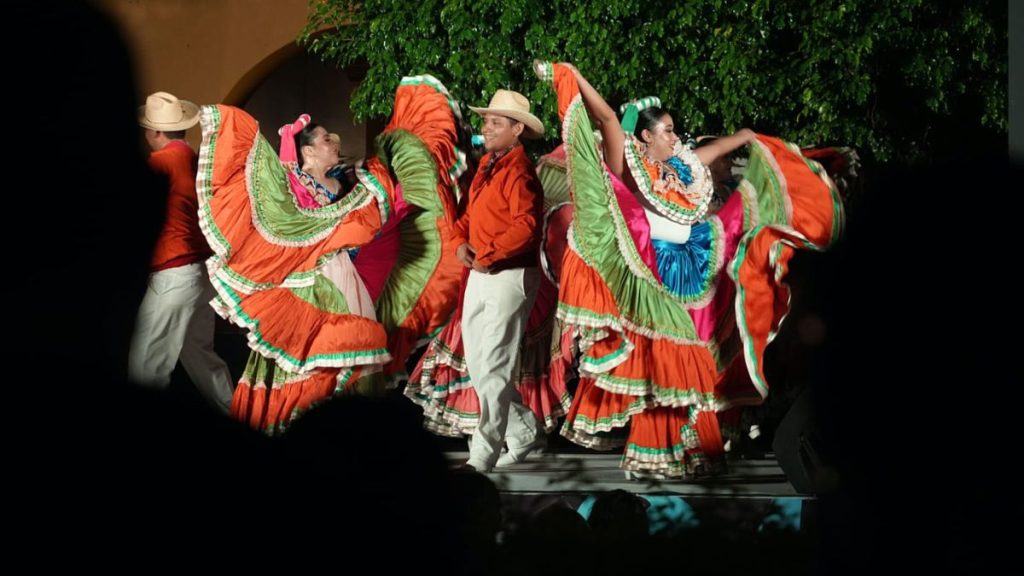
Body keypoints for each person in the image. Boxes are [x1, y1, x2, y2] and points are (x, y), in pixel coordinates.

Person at [535, 61, 844, 479]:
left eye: (675, 130)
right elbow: (608, 117)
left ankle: (669, 453)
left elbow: (718, 149)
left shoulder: (683, 168)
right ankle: (689, 451)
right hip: (651, 273)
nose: (674, 136)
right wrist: (569, 75)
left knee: (678, 364)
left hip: (695, 267)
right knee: (680, 361)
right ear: (645, 135)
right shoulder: (628, 163)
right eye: (666, 130)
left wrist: (750, 138)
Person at [198, 75, 465, 433]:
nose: (333, 145)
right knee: (319, 350)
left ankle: (349, 431)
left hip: (344, 275)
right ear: (308, 150)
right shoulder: (293, 183)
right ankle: (300, 427)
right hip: (309, 279)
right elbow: (290, 224)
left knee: (356, 346)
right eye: (326, 140)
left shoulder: (345, 183)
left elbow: (375, 212)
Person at [452, 89, 547, 472]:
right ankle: (523, 431)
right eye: (486, 120)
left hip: (509, 275)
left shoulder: (520, 171)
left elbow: (526, 227)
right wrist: (460, 242)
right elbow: (470, 216)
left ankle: (483, 453)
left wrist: (486, 255)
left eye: (495, 122)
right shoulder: (490, 165)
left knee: (493, 364)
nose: (486, 128)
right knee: (479, 364)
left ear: (517, 129)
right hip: (483, 272)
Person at [128, 91, 234, 413]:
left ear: (156, 132)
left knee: (145, 366)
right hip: (203, 274)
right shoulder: (198, 159)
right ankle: (239, 415)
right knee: (202, 358)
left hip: (174, 274)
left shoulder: (159, 163)